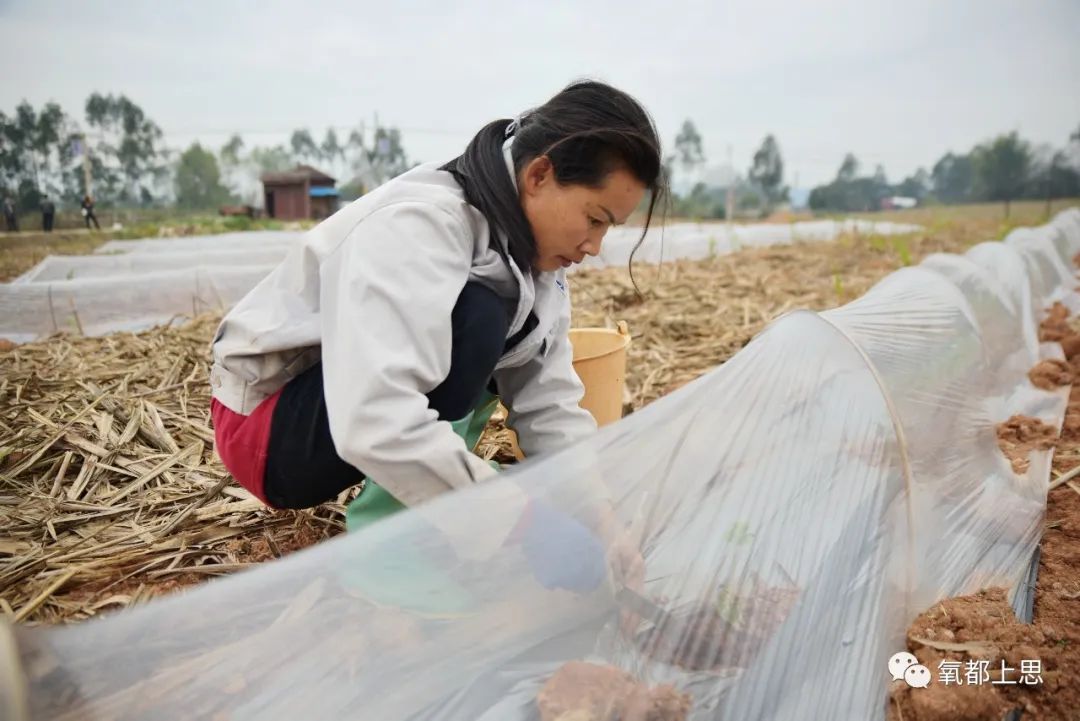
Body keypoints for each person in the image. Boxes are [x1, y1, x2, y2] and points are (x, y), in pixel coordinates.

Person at [209, 80, 664, 592]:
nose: (595, 246)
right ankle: (392, 551)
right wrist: (523, 524)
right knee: (479, 319)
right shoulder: (422, 223)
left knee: (506, 329)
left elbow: (548, 398)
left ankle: (435, 508)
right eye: (594, 219)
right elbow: (373, 417)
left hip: (338, 410)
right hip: (266, 431)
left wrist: (600, 519)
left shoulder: (533, 261)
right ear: (540, 174)